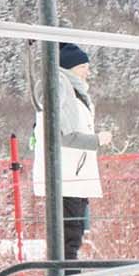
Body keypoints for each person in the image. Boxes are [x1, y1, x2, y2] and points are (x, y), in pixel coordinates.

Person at [34, 42, 108, 263]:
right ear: (72, 67)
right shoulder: (61, 88)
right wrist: (97, 140)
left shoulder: (72, 91)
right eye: (84, 66)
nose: (89, 72)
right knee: (69, 236)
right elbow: (62, 134)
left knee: (72, 234)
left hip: (74, 176)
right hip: (67, 177)